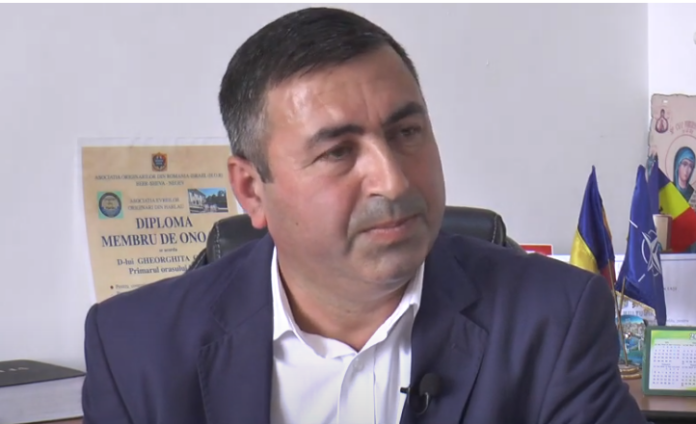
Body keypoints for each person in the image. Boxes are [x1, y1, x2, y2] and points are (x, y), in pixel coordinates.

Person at [81, 7, 648, 424]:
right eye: (337, 153)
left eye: (407, 132)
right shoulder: (137, 347)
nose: (394, 181)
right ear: (252, 190)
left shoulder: (554, 318)